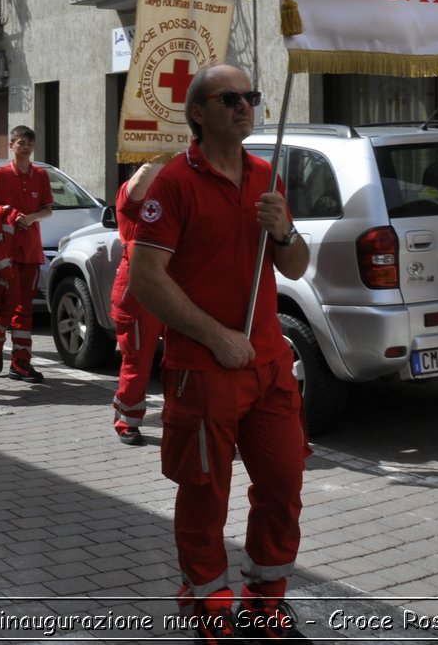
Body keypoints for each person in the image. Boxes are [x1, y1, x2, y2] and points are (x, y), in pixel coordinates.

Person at [129, 64, 311, 640]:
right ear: (199, 113)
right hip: (205, 370)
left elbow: (297, 266)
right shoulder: (175, 183)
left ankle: (265, 603)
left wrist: (284, 232)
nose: (245, 105)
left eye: (250, 96)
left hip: (269, 366)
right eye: (229, 97)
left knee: (283, 484)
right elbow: (145, 279)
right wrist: (216, 336)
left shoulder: (266, 175)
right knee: (206, 496)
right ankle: (208, 607)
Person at [0, 125, 54, 382]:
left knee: (25, 308)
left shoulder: (41, 176)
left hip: (31, 250)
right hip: (7, 252)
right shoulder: (0, 175)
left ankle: (21, 364)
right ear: (11, 145)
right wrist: (10, 214)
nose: (26, 147)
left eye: (30, 144)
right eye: (21, 143)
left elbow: (47, 209)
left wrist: (32, 217)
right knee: (7, 302)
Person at [109, 155, 168, 445]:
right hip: (138, 293)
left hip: (175, 290)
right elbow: (137, 188)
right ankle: (127, 420)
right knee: (138, 360)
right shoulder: (130, 195)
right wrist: (161, 151)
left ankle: (186, 419)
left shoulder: (175, 197)